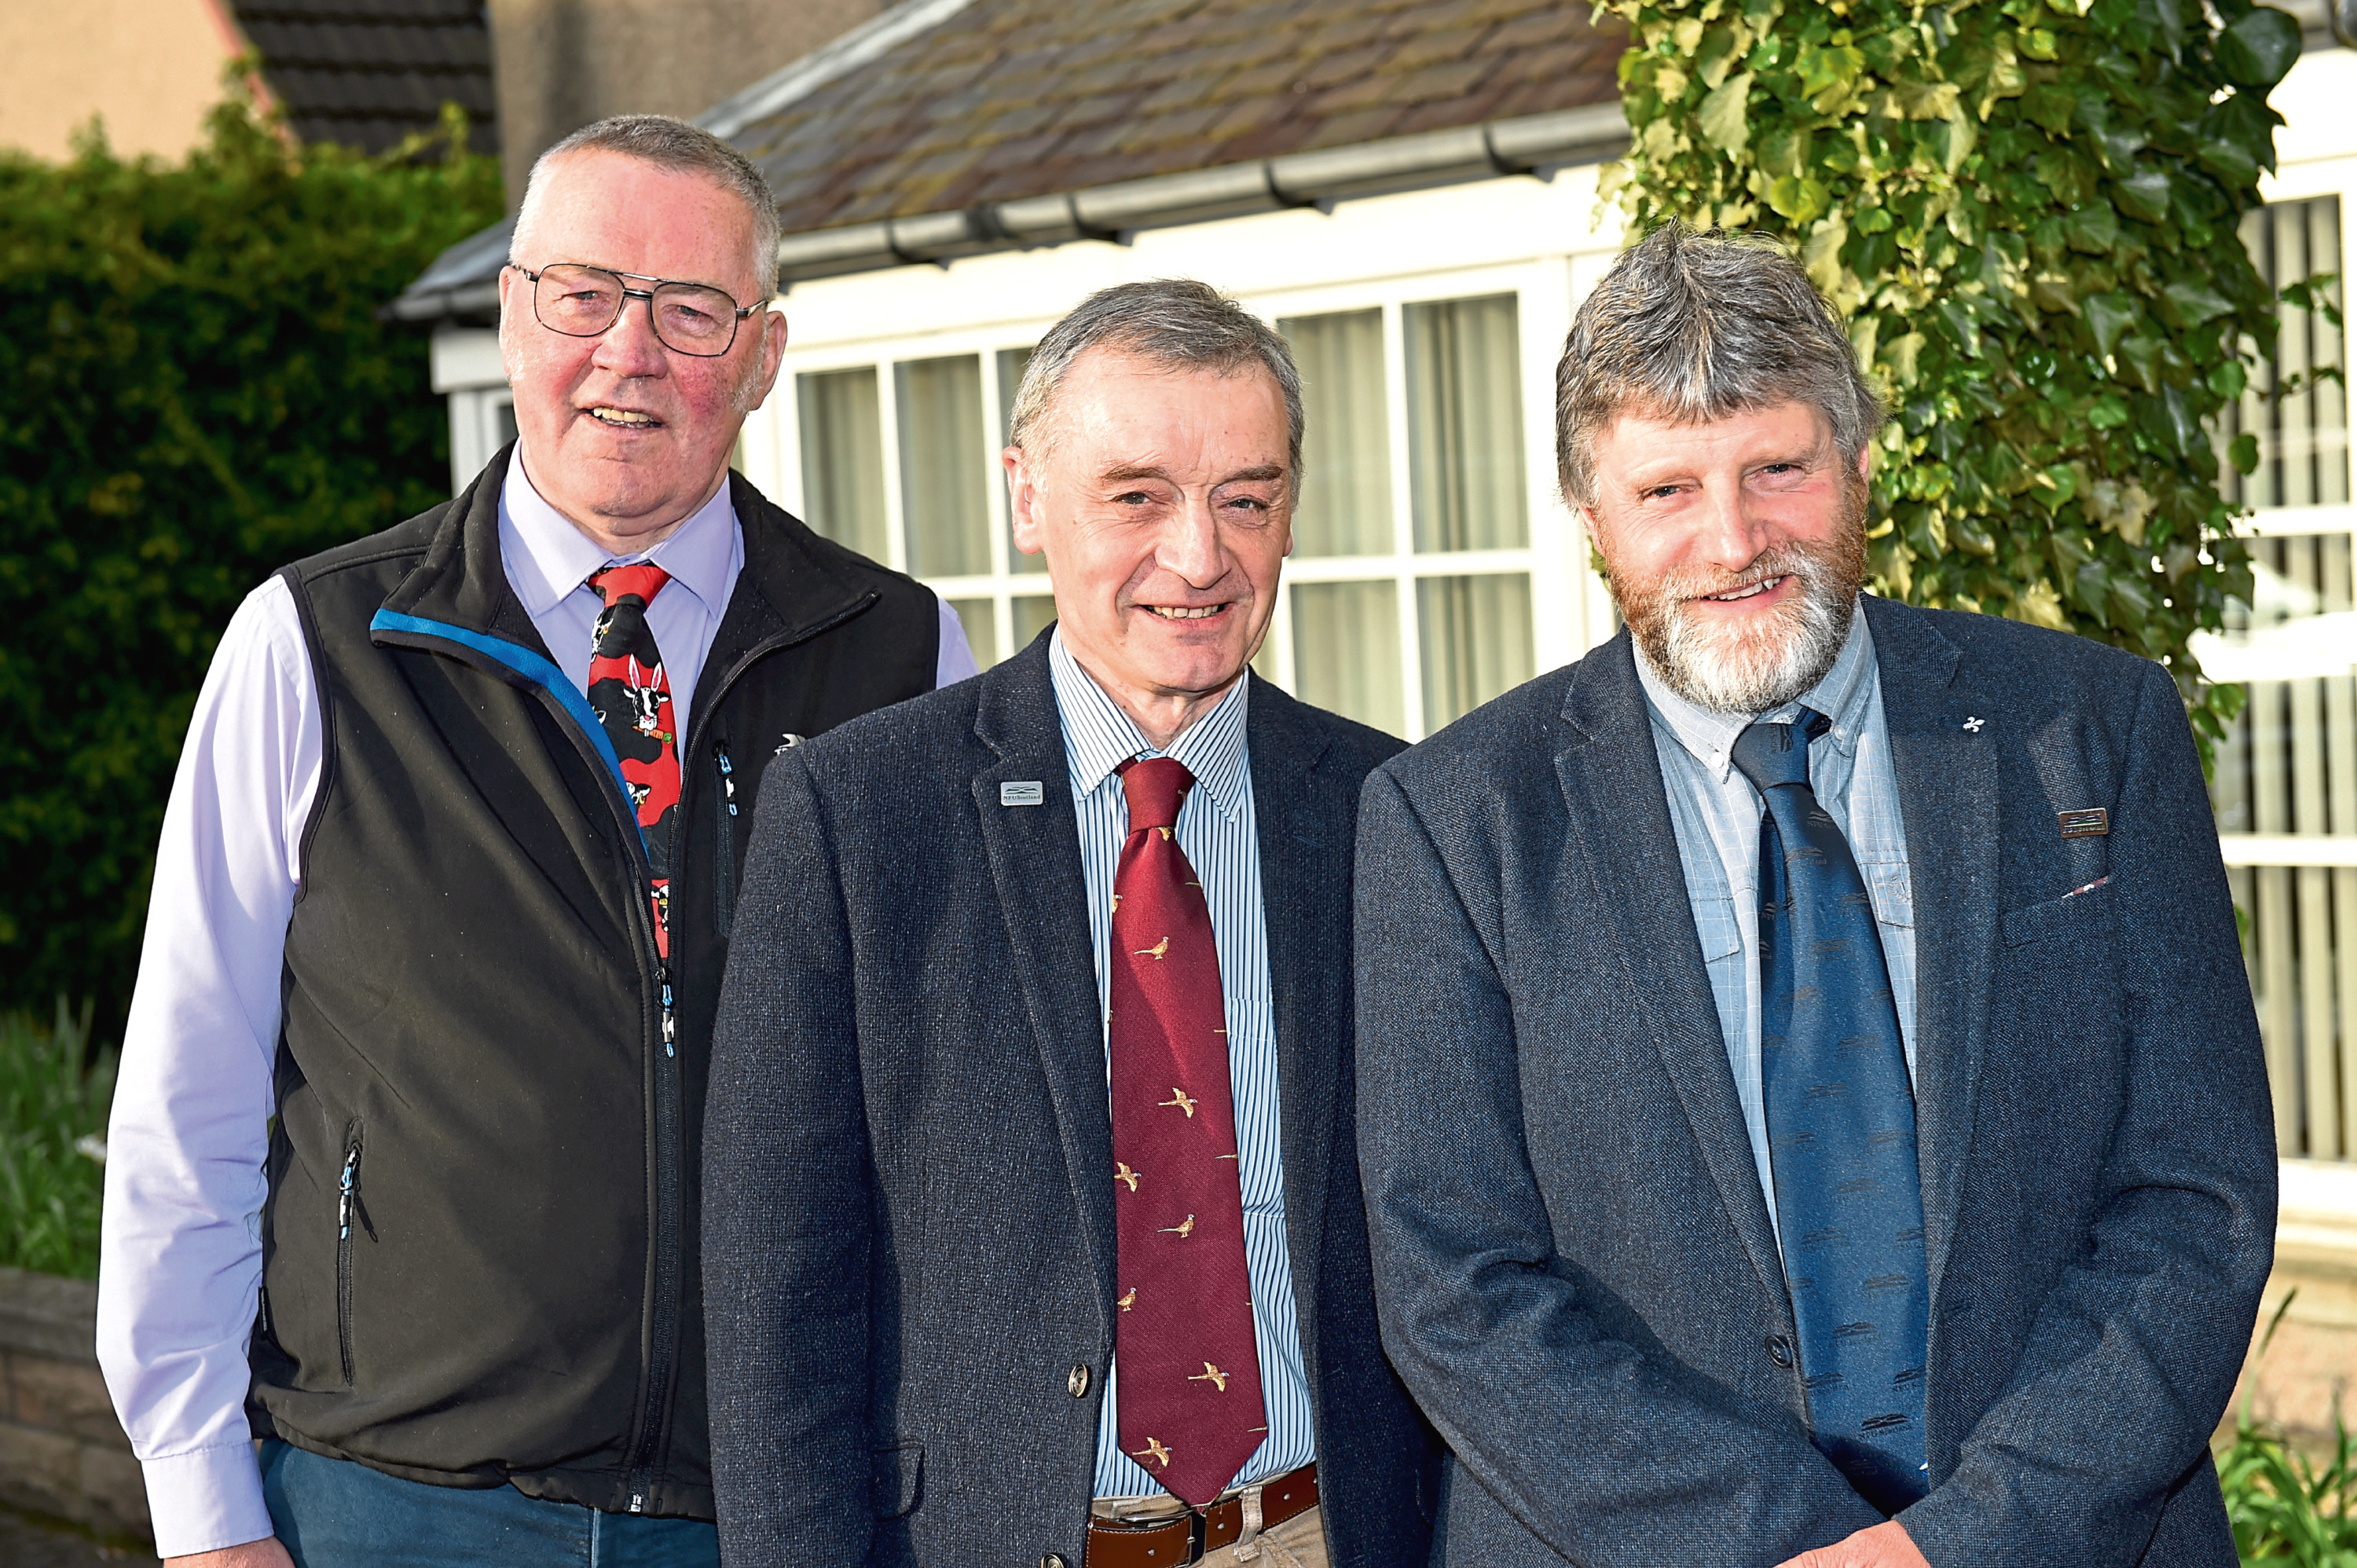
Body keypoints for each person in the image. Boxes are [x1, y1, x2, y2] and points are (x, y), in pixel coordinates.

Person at [97, 113, 977, 1568]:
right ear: (514, 316)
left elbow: (961, 1104)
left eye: (692, 309)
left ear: (762, 356)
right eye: (583, 293)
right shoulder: (315, 647)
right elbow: (186, 1103)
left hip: (779, 1514)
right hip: (388, 1511)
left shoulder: (900, 654)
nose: (630, 352)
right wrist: (199, 1506)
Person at [1353, 224, 2276, 1568]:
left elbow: (2196, 1197)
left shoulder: (2089, 729)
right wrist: (1786, 1547)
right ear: (1590, 516)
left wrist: (1956, 1547)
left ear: (1858, 464)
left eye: (1778, 469)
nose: (1734, 540)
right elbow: (1456, 1286)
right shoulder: (1454, 821)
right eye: (1668, 489)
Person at [702, 279, 1439, 1568]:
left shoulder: (1394, 810)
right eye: (1138, 496)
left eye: (1247, 499)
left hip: (1323, 1532)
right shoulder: (860, 814)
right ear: (1028, 496)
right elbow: (778, 1292)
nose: (1200, 557)